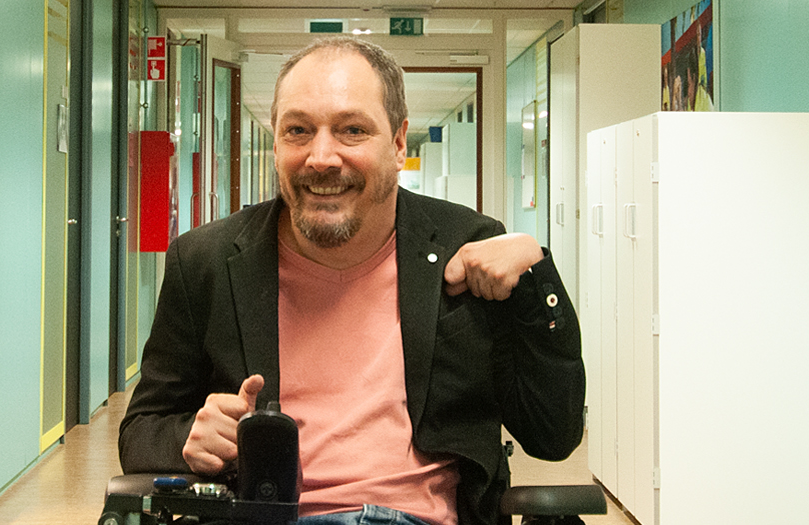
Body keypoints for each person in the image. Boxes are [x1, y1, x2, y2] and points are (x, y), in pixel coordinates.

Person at [119, 36, 583, 525]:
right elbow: (141, 431)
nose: (321, 157)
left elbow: (553, 434)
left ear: (398, 143)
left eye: (352, 130)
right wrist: (191, 437)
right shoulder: (206, 262)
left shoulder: (464, 249)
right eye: (298, 130)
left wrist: (536, 278)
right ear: (275, 144)